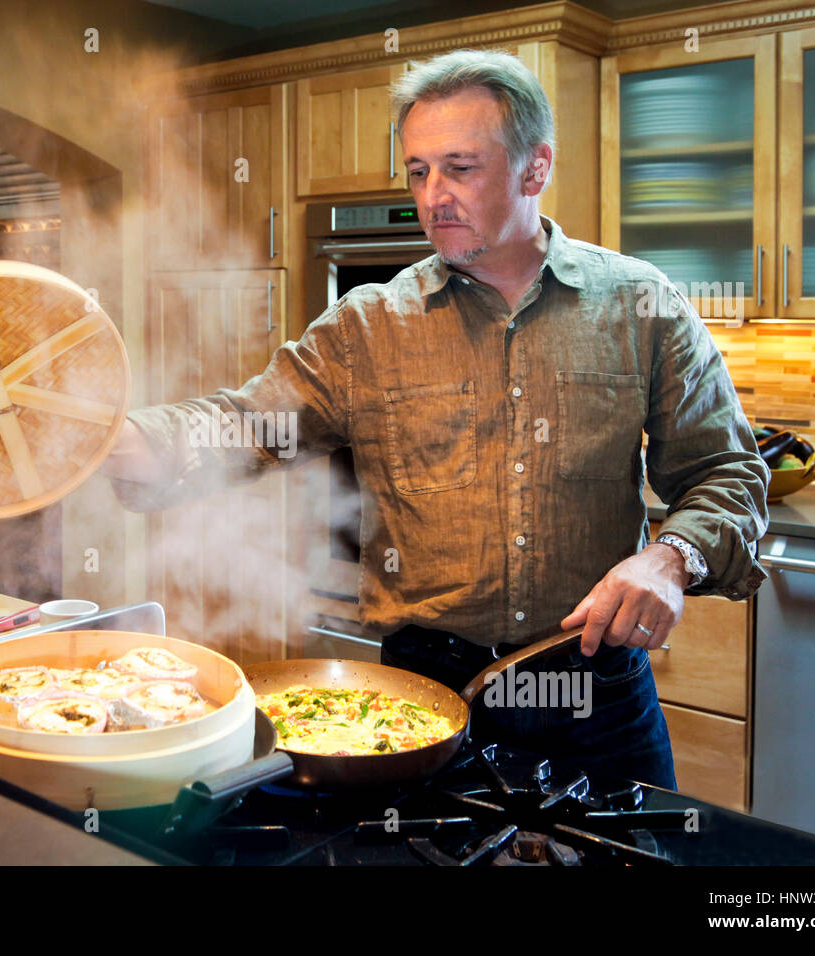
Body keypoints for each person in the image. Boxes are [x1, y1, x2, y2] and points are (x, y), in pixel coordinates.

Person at [101, 49, 769, 790]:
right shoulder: (369, 326)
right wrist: (121, 438)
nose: (434, 196)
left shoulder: (640, 305)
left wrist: (670, 559)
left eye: (461, 167)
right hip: (423, 700)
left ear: (533, 169)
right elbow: (250, 424)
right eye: (419, 171)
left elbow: (728, 472)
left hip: (593, 693)